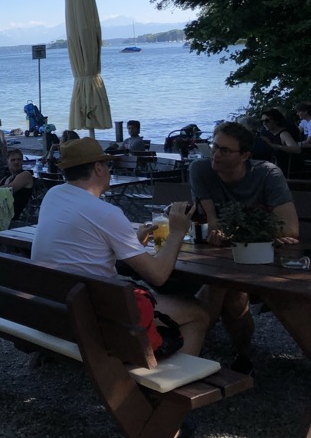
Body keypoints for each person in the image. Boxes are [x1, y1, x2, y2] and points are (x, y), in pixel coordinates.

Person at [32, 138, 208, 355]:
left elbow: (83, 251)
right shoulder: (106, 213)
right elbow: (159, 276)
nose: (109, 170)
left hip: (53, 308)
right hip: (95, 316)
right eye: (107, 165)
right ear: (98, 168)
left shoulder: (53, 196)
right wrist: (178, 231)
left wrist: (130, 241)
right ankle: (177, 382)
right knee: (198, 314)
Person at [189, 121, 299, 371]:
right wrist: (247, 233)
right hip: (225, 257)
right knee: (226, 288)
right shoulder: (200, 169)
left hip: (264, 258)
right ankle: (240, 354)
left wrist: (232, 233)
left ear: (245, 155)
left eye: (225, 150)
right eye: (214, 146)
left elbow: (290, 229)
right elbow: (212, 221)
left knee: (222, 286)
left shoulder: (267, 174)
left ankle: (188, 352)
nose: (215, 154)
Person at [1, 148, 34, 220]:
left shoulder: (26, 175)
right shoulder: (6, 178)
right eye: (13, 160)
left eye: (19, 159)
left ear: (22, 161)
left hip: (15, 219)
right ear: (7, 162)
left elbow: (9, 189)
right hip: (2, 215)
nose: (16, 162)